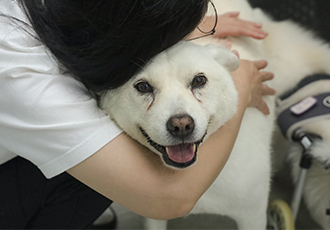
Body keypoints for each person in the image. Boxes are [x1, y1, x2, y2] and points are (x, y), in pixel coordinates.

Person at [0, 0, 275, 229]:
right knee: (108, 161)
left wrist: (185, 32)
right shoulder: (17, 67)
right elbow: (169, 200)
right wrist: (240, 88)